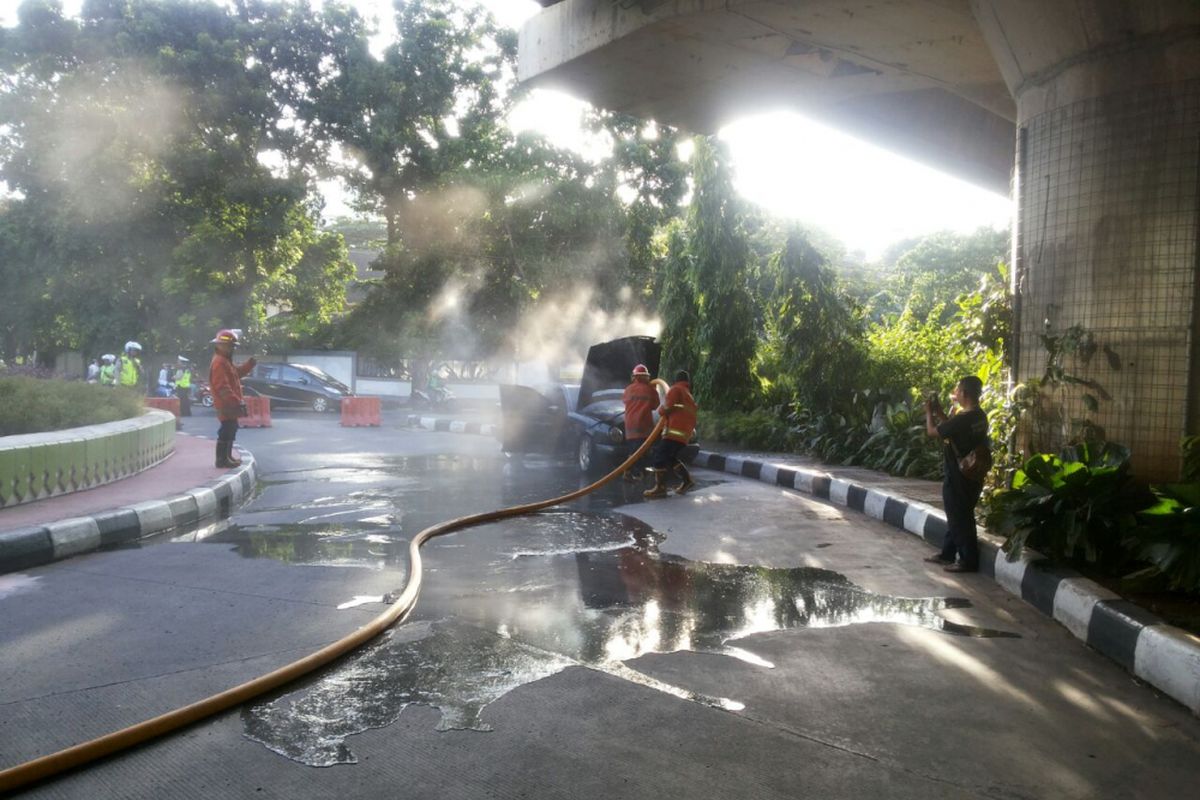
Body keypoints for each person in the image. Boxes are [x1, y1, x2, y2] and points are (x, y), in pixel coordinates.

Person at [924, 375, 989, 573]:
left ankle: (967, 560)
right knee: (960, 512)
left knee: (959, 515)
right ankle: (947, 553)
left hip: (958, 475)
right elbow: (953, 431)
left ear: (965, 394)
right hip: (974, 472)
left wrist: (929, 413)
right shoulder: (979, 416)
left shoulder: (963, 418)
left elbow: (933, 432)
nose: (956, 393)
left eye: (958, 390)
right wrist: (941, 413)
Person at [644, 370, 698, 499]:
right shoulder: (688, 395)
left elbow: (667, 407)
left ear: (676, 380)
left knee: (659, 456)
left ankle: (660, 488)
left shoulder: (675, 389)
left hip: (674, 432)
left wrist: (661, 411)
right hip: (684, 435)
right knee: (670, 458)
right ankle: (687, 481)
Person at [209, 329, 256, 468]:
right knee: (226, 430)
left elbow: (236, 374)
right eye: (229, 346)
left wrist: (249, 365)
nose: (232, 348)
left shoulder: (225, 361)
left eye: (232, 346)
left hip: (229, 403)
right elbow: (222, 387)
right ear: (219, 345)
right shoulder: (219, 362)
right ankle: (221, 460)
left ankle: (227, 457)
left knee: (231, 429)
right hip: (226, 404)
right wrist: (235, 401)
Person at [621, 363, 659, 481]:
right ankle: (638, 474)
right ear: (646, 377)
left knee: (633, 450)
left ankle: (629, 473)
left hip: (630, 426)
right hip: (643, 426)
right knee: (641, 451)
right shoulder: (651, 390)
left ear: (634, 376)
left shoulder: (628, 389)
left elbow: (625, 402)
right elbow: (655, 405)